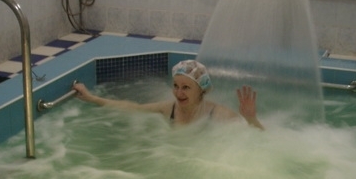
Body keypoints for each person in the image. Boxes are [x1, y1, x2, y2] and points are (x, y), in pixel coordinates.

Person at [73, 60, 264, 130]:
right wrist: (92, 98)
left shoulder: (216, 114)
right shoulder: (168, 108)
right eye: (175, 86)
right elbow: (133, 108)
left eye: (186, 87)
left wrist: (251, 120)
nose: (178, 93)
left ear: (201, 90)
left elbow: (260, 139)